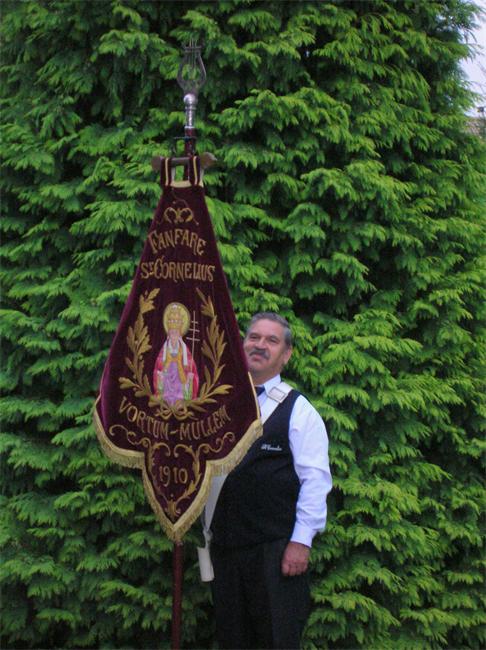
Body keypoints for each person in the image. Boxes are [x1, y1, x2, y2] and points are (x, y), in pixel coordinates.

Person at [209, 312, 332, 649]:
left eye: (271, 340)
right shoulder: (218, 404)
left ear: (286, 355)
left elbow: (316, 480)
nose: (260, 345)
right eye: (254, 337)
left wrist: (301, 542)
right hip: (225, 550)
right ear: (242, 344)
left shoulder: (299, 410)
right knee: (232, 641)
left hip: (276, 553)